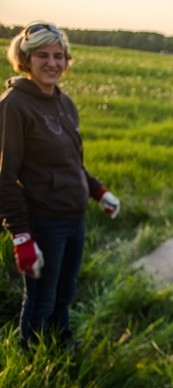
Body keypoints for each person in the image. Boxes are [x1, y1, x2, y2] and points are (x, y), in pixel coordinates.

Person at [0, 21, 121, 350]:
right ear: (25, 59)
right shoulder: (13, 106)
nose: (52, 63)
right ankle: (34, 363)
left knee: (65, 292)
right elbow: (4, 178)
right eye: (42, 55)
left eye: (59, 55)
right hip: (43, 221)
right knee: (40, 299)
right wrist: (22, 237)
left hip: (74, 217)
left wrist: (98, 191)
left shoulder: (64, 103)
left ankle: (61, 340)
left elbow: (71, 162)